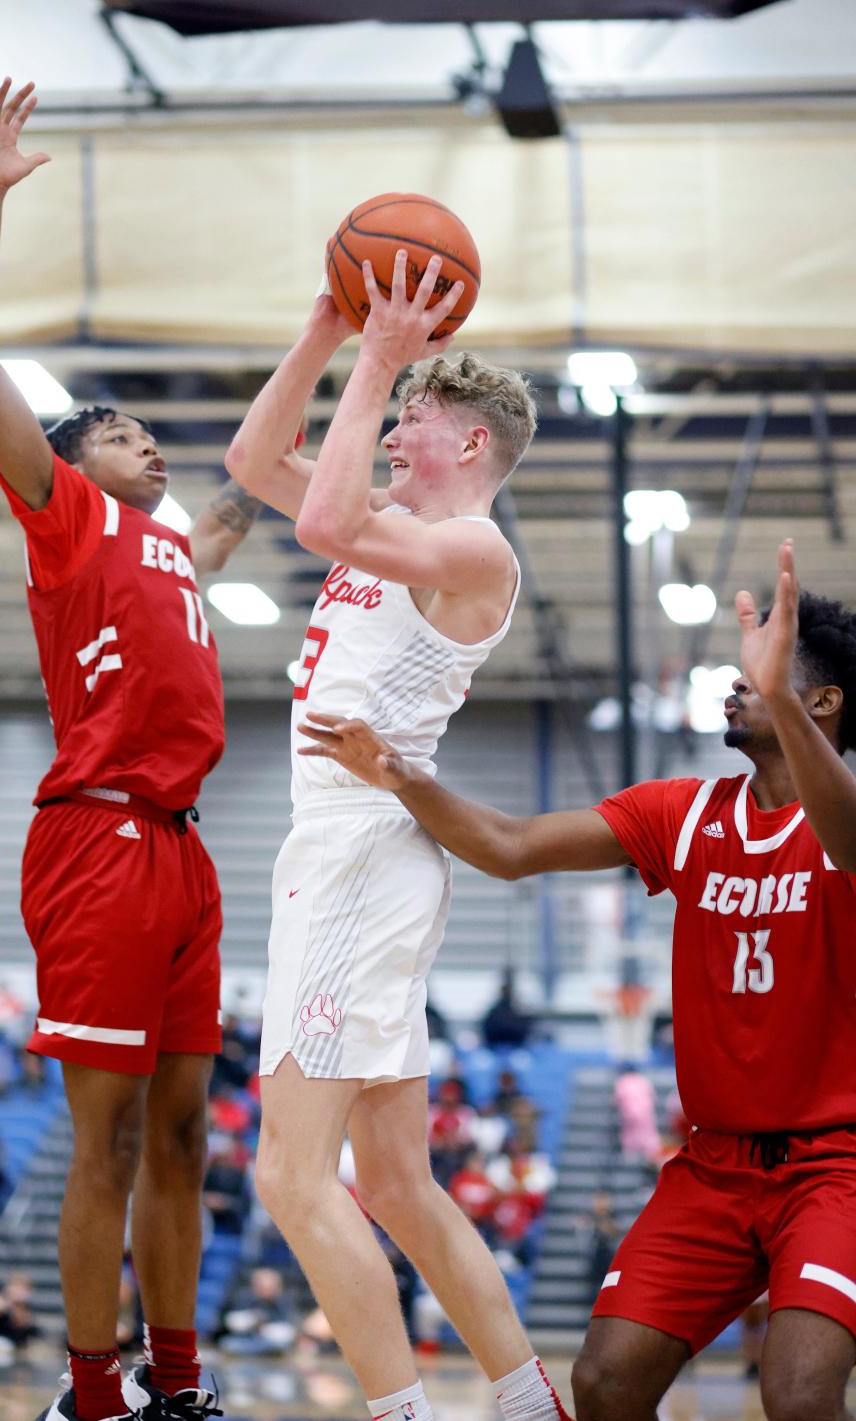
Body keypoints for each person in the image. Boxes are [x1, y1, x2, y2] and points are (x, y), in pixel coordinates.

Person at [297, 540, 856, 1421]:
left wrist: (777, 694)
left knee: (797, 1390)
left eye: (767, 675)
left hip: (835, 1165)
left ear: (821, 701)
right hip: (713, 1166)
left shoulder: (844, 824)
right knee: (602, 1384)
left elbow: (846, 836)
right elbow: (512, 847)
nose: (736, 683)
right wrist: (404, 778)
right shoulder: (684, 812)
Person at [0, 79, 262, 1421]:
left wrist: (340, 341)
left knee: (186, 1136)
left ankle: (176, 1386)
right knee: (110, 1137)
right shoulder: (68, 518)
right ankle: (91, 1398)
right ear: (77, 462)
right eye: (123, 430)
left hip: (184, 850)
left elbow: (258, 476)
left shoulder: (182, 544)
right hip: (99, 835)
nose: (148, 441)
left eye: (148, 432)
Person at [227, 251, 571, 1421]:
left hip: (360, 850)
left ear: (467, 443)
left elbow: (316, 514)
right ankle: (532, 1403)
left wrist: (379, 355)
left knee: (288, 1170)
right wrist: (329, 329)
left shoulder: (474, 551)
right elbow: (250, 464)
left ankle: (398, 1413)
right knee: (395, 1181)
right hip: (360, 853)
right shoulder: (392, 522)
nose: (387, 432)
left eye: (410, 416)